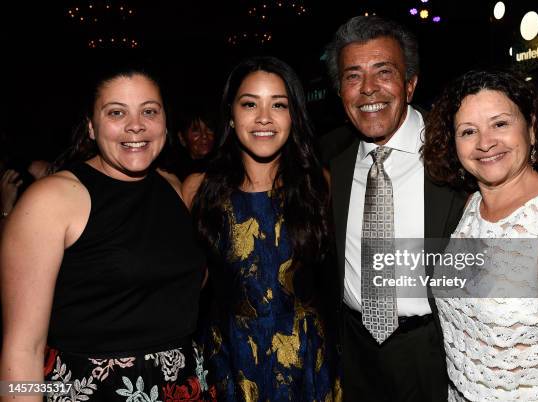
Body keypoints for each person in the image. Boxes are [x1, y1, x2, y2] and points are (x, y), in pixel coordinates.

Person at [0, 67, 210, 401]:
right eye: (116, 112)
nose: (135, 125)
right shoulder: (51, 200)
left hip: (183, 385)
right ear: (91, 127)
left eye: (149, 111)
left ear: (165, 122)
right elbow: (22, 350)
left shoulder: (173, 188)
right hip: (94, 391)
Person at [422, 69, 538, 401]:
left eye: (500, 124)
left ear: (532, 128)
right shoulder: (470, 208)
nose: (485, 142)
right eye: (468, 131)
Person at [321, 15, 466, 402]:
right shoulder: (329, 157)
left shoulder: (459, 151)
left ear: (410, 83)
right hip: (354, 351)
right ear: (340, 92)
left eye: (383, 72)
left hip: (435, 351)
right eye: (353, 76)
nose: (368, 89)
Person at [182, 56, 339, 401]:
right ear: (231, 114)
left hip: (305, 359)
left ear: (294, 115)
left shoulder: (320, 186)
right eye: (250, 104)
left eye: (278, 105)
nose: (264, 118)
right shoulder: (198, 189)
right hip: (230, 359)